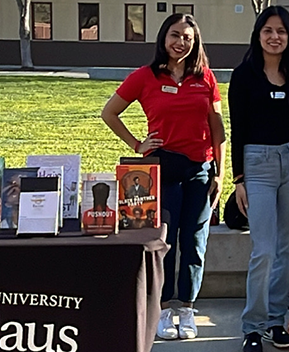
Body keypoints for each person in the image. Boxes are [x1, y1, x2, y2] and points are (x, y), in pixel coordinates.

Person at [99, 12, 225, 341]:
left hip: (200, 169)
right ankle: (164, 308)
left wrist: (220, 174)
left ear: (195, 41)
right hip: (162, 169)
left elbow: (218, 130)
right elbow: (109, 112)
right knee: (164, 243)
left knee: (196, 242)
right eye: (174, 35)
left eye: (187, 36)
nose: (180, 42)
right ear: (163, 39)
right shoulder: (145, 77)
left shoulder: (206, 78)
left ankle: (186, 307)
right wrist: (137, 144)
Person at [229, 6, 289, 352]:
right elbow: (238, 129)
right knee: (263, 250)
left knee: (286, 246)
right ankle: (253, 326)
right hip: (257, 164)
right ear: (258, 34)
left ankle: (277, 322)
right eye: (268, 30)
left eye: (282, 31)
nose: (275, 37)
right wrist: (238, 180)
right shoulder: (244, 75)